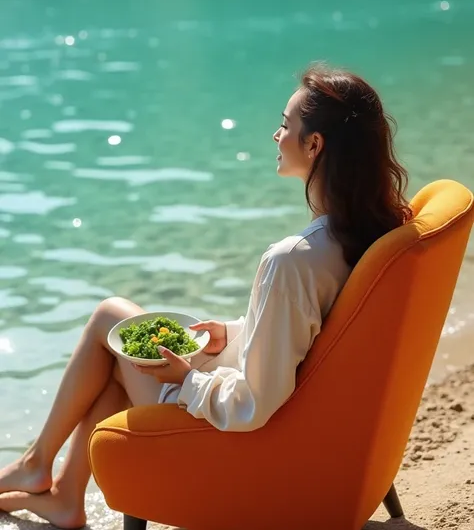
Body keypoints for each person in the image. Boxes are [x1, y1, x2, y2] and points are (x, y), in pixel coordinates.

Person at [0, 64, 412, 528]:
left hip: (253, 441)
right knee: (115, 347)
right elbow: (314, 337)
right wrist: (230, 335)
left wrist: (186, 378)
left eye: (285, 124)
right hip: (312, 427)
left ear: (314, 145)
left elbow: (254, 404)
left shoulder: (292, 260)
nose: (275, 135)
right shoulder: (371, 232)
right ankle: (61, 493)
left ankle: (41, 468)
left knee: (109, 320)